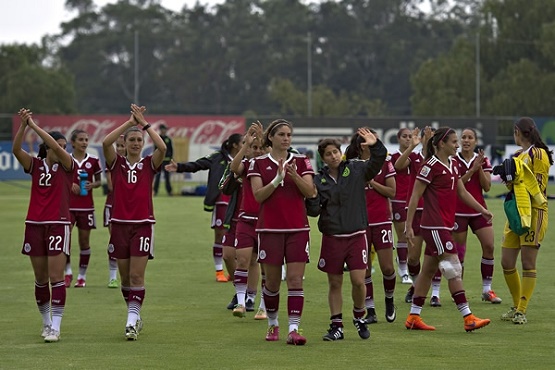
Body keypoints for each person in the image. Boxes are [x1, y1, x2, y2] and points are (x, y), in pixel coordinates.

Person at [404, 127, 492, 332]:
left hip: (443, 225)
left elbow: (461, 192)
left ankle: (413, 317)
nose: (458, 144)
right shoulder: (430, 166)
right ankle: (468, 317)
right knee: (453, 268)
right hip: (434, 226)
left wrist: (481, 210)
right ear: (441, 144)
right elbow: (415, 196)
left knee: (427, 271)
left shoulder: (452, 165)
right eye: (454, 141)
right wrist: (409, 226)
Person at [307, 129, 387, 341]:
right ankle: (336, 325)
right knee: (335, 284)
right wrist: (313, 198)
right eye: (328, 154)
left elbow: (378, 162)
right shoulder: (318, 180)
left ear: (340, 152)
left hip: (356, 235)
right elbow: (313, 211)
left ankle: (359, 317)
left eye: (336, 152)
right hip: (332, 237)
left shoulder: (356, 168)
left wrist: (375, 144)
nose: (333, 156)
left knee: (358, 281)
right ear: (322, 158)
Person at [247, 119, 315, 345]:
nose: (286, 138)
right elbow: (258, 196)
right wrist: (277, 178)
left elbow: (311, 192)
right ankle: (273, 324)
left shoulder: (302, 161)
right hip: (269, 229)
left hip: (297, 229)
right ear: (271, 138)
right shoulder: (257, 163)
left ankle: (294, 329)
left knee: (295, 280)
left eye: (289, 135)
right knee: (273, 283)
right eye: (282, 135)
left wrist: (293, 175)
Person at [102, 104, 167, 340]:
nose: (136, 143)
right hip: (119, 224)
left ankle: (131, 321)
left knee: (138, 276)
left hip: (142, 225)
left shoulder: (149, 163)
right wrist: (130, 122)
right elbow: (105, 143)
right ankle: (134, 313)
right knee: (126, 278)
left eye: (139, 140)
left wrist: (145, 124)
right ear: (126, 143)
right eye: (132, 140)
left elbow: (163, 147)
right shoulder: (116, 163)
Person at [13, 108, 74, 342]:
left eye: (64, 146)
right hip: (34, 225)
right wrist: (23, 126)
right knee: (40, 278)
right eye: (58, 145)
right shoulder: (37, 166)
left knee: (56, 276)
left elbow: (58, 148)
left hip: (58, 225)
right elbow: (17, 150)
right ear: (47, 148)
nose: (62, 149)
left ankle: (56, 327)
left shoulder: (69, 166)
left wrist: (35, 126)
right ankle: (46, 323)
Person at [166, 133, 243, 282]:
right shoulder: (218, 157)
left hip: (238, 203)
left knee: (240, 237)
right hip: (221, 201)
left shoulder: (246, 160)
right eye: (243, 142)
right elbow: (198, 165)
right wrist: (180, 167)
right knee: (220, 236)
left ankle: (237, 272)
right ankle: (219, 271)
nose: (246, 145)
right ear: (235, 145)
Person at [500, 117, 552, 324]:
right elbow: (513, 186)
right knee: (506, 262)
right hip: (516, 212)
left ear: (517, 131)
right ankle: (515, 305)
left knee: (528, 263)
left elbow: (537, 185)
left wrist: (516, 179)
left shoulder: (538, 153)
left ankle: (521, 310)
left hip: (534, 211)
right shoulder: (516, 155)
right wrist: (508, 180)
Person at [345, 129, 397, 325]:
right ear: (362, 145)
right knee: (364, 269)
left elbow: (392, 191)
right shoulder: (351, 165)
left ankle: (390, 300)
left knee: (387, 267)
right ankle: (371, 309)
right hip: (360, 222)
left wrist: (372, 182)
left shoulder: (385, 163)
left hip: (382, 220)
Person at [453, 128, 502, 303]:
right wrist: (472, 170)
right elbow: (456, 185)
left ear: (475, 141)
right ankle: (459, 291)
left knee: (489, 246)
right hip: (458, 211)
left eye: (470, 137)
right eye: (463, 137)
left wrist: (479, 168)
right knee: (459, 255)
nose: (466, 140)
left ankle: (487, 290)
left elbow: (487, 187)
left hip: (479, 210)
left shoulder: (483, 160)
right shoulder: (453, 159)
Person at [225, 122, 267, 319]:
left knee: (265, 264)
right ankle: (241, 302)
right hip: (246, 219)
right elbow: (234, 167)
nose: (257, 151)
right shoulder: (247, 165)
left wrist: (263, 137)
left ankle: (263, 305)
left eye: (260, 147)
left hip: (267, 221)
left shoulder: (271, 165)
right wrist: (245, 145)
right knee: (242, 259)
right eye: (253, 147)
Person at [64, 129, 102, 288]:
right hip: (67, 207)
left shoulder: (93, 160)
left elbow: (100, 182)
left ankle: (82, 277)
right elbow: (58, 179)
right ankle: (67, 273)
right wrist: (69, 185)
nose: (84, 142)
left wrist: (92, 184)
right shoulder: (65, 159)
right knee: (65, 242)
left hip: (86, 207)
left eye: (86, 140)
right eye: (81, 139)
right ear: (72, 142)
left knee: (84, 242)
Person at [390, 128, 414, 284]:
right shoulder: (394, 157)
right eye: (404, 136)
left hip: (413, 201)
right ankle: (403, 270)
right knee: (403, 236)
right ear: (398, 139)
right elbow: (400, 166)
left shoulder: (417, 157)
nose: (407, 139)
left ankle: (403, 259)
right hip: (398, 200)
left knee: (411, 236)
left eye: (410, 137)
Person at [102, 135, 126, 288]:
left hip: (130, 208)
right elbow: (111, 186)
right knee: (115, 241)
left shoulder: (138, 163)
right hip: (113, 206)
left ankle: (128, 273)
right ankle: (112, 276)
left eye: (122, 146)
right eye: (118, 146)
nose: (120, 149)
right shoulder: (112, 161)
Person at [153, 124, 173, 196]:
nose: (165, 131)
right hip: (160, 161)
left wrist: (171, 159)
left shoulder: (168, 139)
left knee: (167, 177)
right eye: (163, 129)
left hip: (167, 161)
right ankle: (155, 191)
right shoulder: (158, 138)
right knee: (158, 177)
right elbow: (155, 149)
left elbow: (171, 150)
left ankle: (169, 191)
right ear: (161, 129)